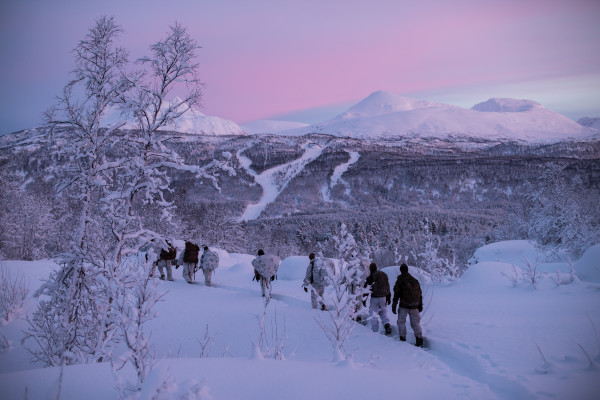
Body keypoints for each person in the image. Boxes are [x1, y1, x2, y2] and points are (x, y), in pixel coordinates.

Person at [392, 263, 424, 347]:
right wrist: (420, 305)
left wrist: (394, 305)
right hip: (414, 306)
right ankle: (419, 339)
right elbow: (420, 293)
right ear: (407, 270)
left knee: (401, 322)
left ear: (400, 270)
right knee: (415, 323)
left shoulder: (400, 280)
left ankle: (402, 338)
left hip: (404, 305)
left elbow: (396, 293)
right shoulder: (414, 280)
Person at [364, 262, 392, 335]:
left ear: (370, 269)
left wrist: (364, 299)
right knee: (383, 312)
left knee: (373, 313)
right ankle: (387, 325)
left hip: (375, 298)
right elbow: (387, 286)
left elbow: (367, 288)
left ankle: (375, 332)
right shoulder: (383, 274)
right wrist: (388, 296)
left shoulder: (371, 276)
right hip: (384, 297)